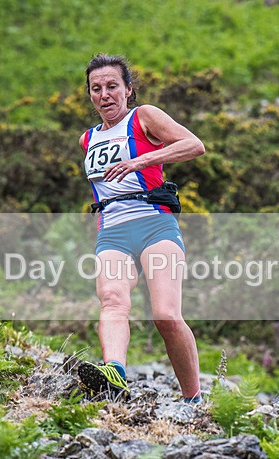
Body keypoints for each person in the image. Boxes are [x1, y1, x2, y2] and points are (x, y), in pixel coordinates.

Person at [77, 53, 206, 403]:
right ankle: (114, 375)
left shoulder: (143, 116)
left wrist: (141, 159)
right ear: (90, 95)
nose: (105, 94)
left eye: (112, 86)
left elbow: (194, 145)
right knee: (113, 300)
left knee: (165, 316)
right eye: (96, 88)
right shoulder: (86, 140)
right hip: (113, 233)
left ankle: (193, 399)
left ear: (128, 90)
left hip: (154, 225)